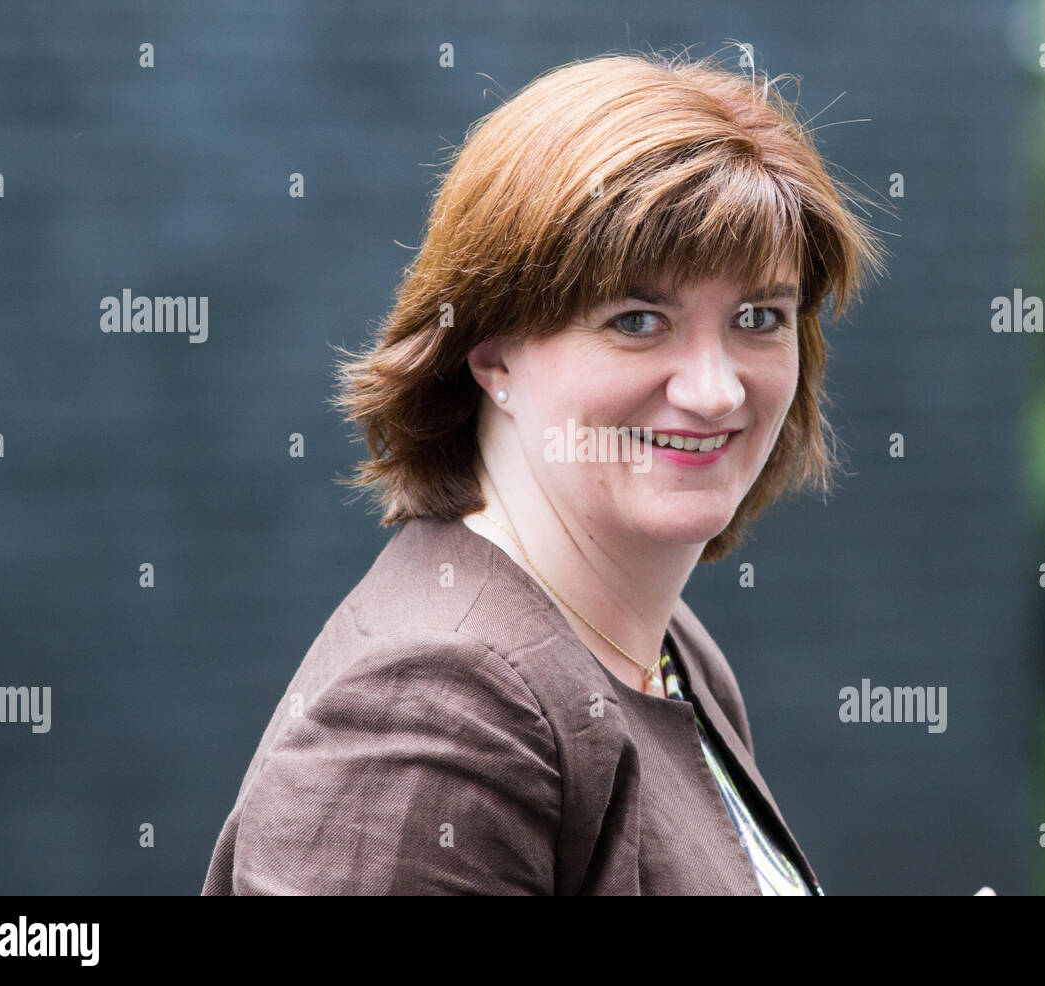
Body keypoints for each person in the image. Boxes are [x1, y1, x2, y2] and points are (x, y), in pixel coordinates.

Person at [201, 47, 932, 894]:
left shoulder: (669, 650)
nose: (714, 387)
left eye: (758, 316)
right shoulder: (436, 706)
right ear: (492, 353)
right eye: (636, 321)